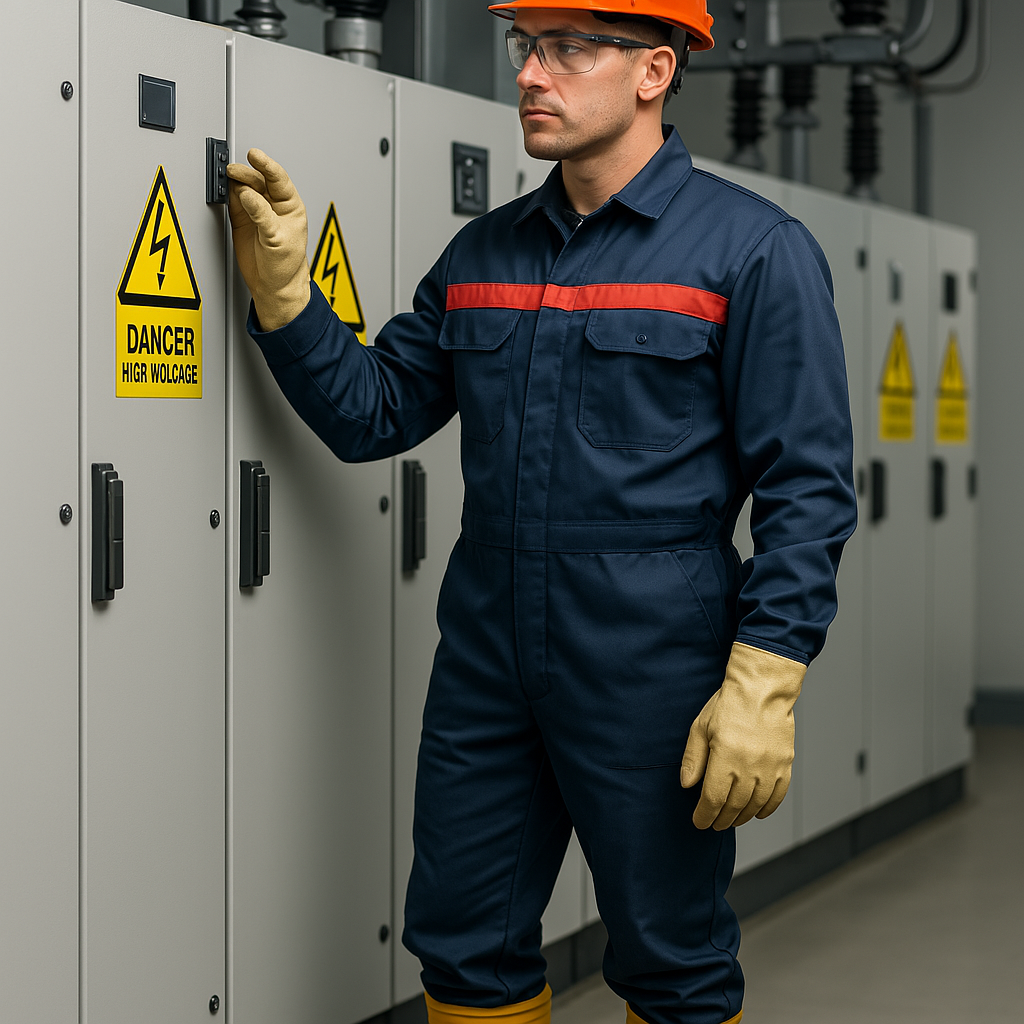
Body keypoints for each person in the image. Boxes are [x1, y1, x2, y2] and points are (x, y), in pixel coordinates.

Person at [226, 1, 857, 1021]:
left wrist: (765, 680)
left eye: (568, 49)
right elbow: (374, 413)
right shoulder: (484, 255)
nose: (529, 72)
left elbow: (808, 489)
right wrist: (287, 297)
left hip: (654, 660)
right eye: (528, 46)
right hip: (487, 655)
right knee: (462, 941)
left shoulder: (752, 252)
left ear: (653, 71)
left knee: (670, 958)